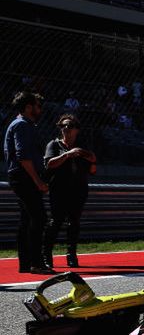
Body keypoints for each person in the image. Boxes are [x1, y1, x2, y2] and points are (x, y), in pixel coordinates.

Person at [4, 91, 54, 274]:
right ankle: (36, 263)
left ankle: (26, 263)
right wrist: (38, 181)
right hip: (24, 176)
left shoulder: (23, 125)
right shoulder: (22, 125)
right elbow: (23, 156)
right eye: (37, 106)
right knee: (38, 217)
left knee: (27, 220)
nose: (40, 109)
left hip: (21, 175)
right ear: (28, 107)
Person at [42, 114, 96, 268]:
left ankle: (71, 254)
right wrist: (66, 155)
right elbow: (49, 164)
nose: (66, 128)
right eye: (63, 126)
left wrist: (90, 157)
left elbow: (92, 168)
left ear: (76, 130)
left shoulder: (82, 147)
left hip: (78, 190)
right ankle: (46, 254)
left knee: (74, 223)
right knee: (56, 222)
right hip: (58, 190)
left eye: (69, 126)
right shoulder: (54, 145)